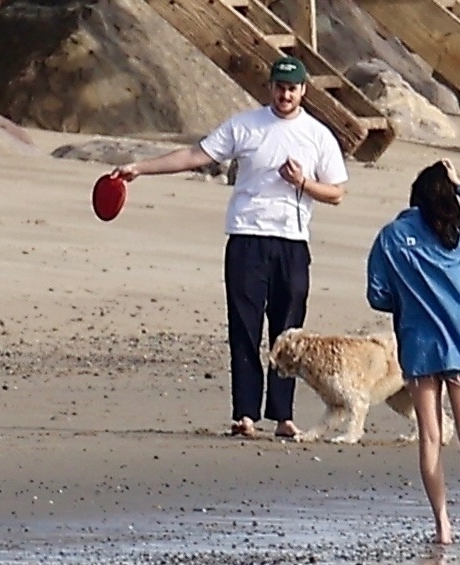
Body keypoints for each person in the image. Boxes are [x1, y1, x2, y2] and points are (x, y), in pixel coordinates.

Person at [111, 56, 348, 439]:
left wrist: (303, 182)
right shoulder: (245, 126)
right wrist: (140, 168)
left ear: (304, 91)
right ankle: (245, 415)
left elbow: (336, 192)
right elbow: (194, 155)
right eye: (279, 86)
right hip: (246, 237)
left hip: (292, 241)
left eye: (292, 88)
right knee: (244, 327)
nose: (285, 94)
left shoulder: (318, 135)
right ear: (269, 88)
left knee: (288, 333)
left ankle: (283, 416)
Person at [366, 158, 460, 545]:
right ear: (448, 197)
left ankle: (441, 523)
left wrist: (409, 296)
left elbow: (377, 295)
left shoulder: (392, 237)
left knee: (430, 436)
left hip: (418, 342)